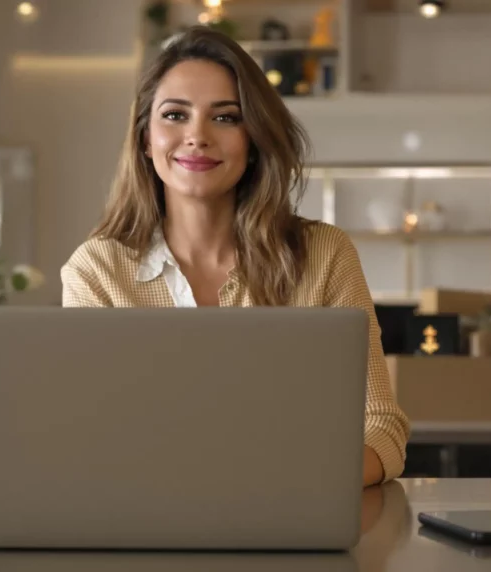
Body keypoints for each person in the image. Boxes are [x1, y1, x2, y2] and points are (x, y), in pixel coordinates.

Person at [60, 26, 410, 487]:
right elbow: (91, 436)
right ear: (146, 139)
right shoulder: (97, 270)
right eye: (174, 115)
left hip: (291, 527)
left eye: (225, 118)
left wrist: (291, 484)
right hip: (146, 526)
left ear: (254, 140)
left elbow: (381, 426)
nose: (197, 136)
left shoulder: (324, 254)